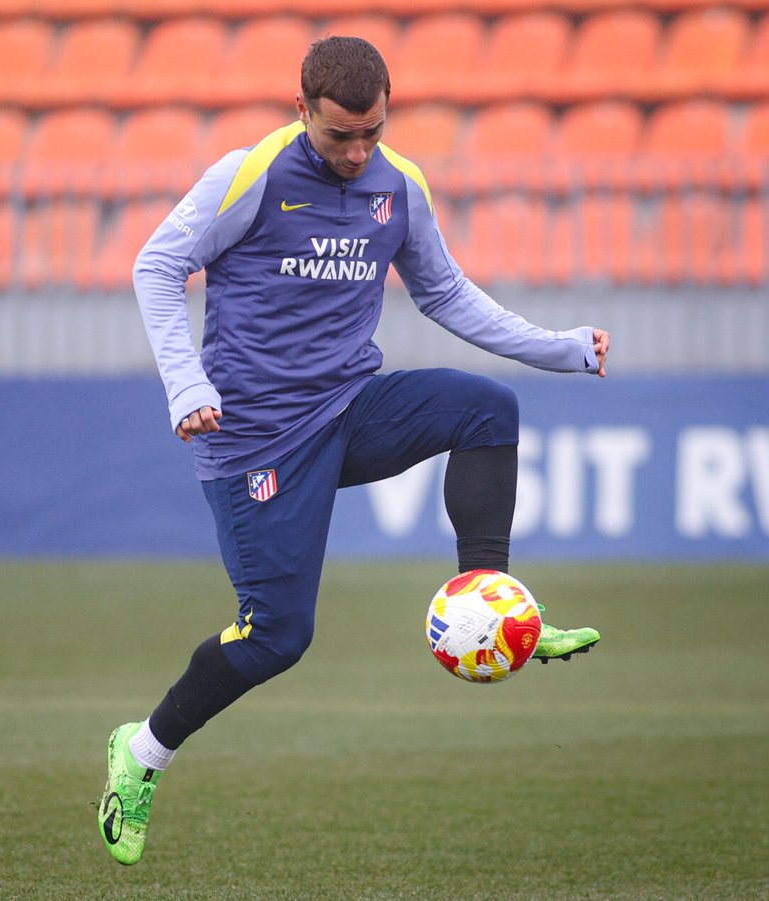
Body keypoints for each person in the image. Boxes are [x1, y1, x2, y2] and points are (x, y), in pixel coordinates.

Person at [97, 35, 608, 867]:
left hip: (349, 407)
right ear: (301, 110)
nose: (358, 150)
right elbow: (158, 265)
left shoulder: (397, 186)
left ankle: (497, 605)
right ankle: (141, 752)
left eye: (372, 130)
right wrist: (186, 384)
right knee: (276, 639)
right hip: (255, 436)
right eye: (340, 136)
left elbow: (444, 292)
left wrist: (562, 348)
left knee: (486, 409)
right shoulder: (251, 174)